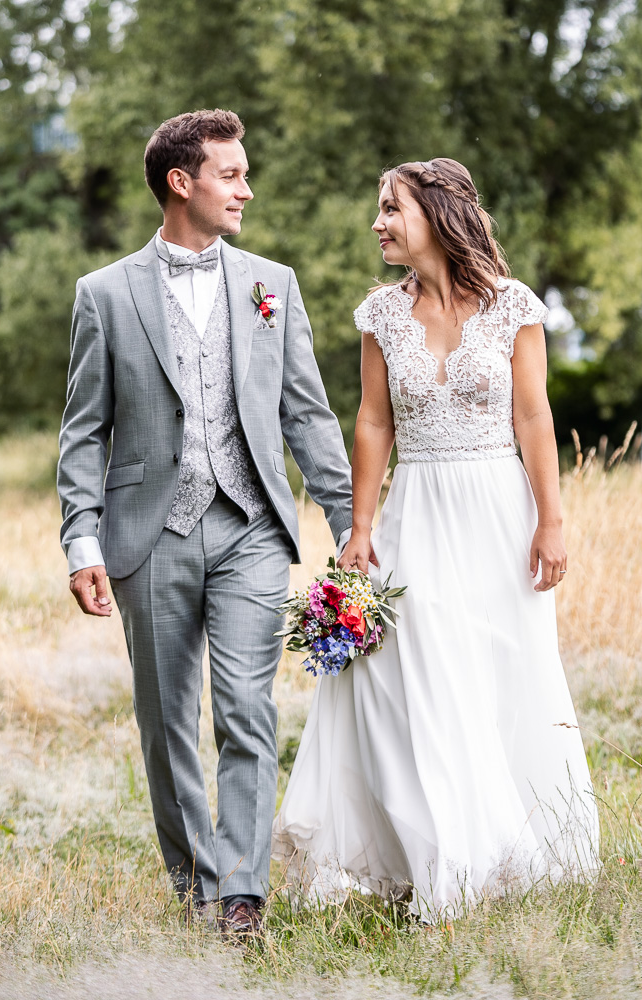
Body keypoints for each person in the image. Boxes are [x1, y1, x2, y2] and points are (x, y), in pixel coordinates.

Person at [272, 158, 599, 919]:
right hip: (415, 510)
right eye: (379, 209)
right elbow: (372, 422)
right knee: (416, 671)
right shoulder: (381, 316)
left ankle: (512, 852)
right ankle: (437, 856)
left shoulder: (513, 306)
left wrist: (550, 520)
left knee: (500, 670)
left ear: (438, 216)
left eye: (392, 209)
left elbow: (533, 417)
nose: (378, 223)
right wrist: (360, 527)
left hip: (498, 514)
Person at [57, 108, 352, 936]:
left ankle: (244, 895)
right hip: (148, 534)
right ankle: (198, 884)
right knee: (166, 722)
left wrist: (350, 522)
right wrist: (81, 541)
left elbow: (306, 414)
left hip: (251, 526)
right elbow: (83, 431)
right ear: (180, 182)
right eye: (231, 174)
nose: (246, 190)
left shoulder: (271, 283)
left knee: (246, 711)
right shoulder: (103, 294)